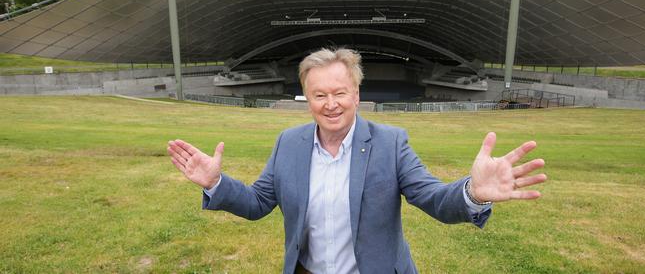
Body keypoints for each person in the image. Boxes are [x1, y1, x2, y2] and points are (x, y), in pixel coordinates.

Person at [167, 48, 547, 274]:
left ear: (357, 93)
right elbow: (257, 203)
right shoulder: (288, 143)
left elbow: (432, 198)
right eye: (319, 95)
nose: (330, 104)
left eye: (339, 92)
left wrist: (473, 193)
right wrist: (215, 183)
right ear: (306, 98)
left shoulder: (390, 142)